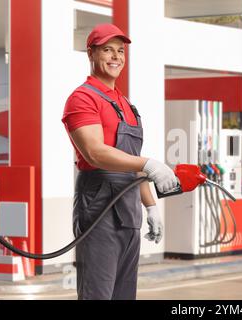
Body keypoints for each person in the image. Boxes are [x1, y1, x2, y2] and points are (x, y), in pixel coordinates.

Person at [62, 23, 177, 300]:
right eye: (107, 50)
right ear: (91, 53)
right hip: (99, 207)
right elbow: (95, 153)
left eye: (120, 51)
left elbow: (132, 162)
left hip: (128, 211)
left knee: (124, 294)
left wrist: (150, 207)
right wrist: (150, 164)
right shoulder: (83, 98)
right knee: (98, 294)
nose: (115, 57)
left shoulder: (125, 104)